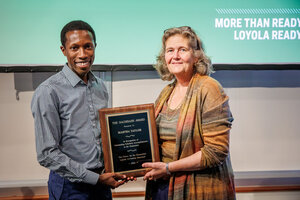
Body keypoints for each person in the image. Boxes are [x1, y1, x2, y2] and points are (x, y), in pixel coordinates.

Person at [31, 20, 129, 200]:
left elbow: (103, 137)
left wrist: (123, 165)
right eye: (74, 48)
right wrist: (95, 179)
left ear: (95, 47)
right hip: (70, 187)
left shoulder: (100, 86)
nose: (82, 54)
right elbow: (47, 154)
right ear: (64, 50)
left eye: (88, 47)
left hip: (102, 183)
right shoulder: (48, 91)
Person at [142, 26, 236, 200]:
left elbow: (216, 151)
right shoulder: (166, 92)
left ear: (196, 55)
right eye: (170, 50)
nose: (175, 56)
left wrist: (169, 167)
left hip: (199, 190)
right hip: (163, 186)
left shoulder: (209, 88)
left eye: (182, 50)